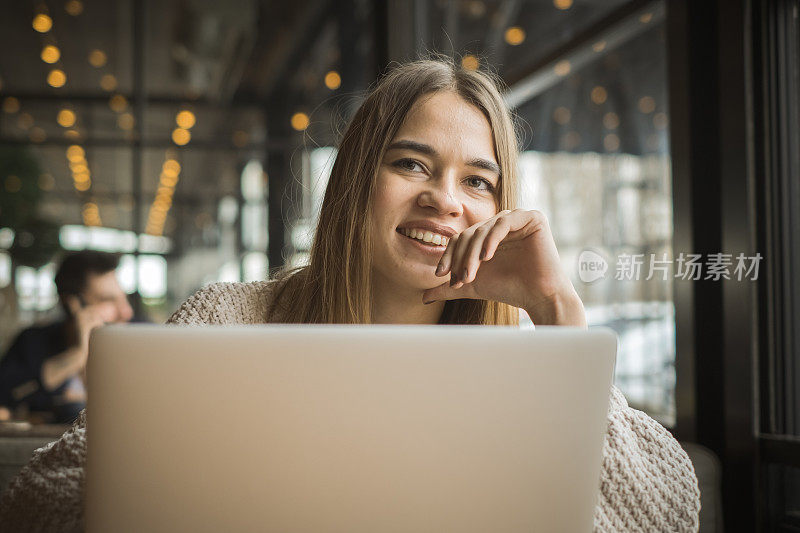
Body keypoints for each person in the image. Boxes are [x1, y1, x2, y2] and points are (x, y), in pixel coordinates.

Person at [0, 58, 700, 532]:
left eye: (478, 182)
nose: (444, 200)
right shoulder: (230, 320)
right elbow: (40, 497)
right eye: (411, 163)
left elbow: (667, 515)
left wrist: (559, 315)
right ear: (356, 181)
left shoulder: (522, 356)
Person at [0, 251, 133, 424]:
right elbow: (8, 398)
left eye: (124, 299)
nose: (126, 312)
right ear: (74, 304)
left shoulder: (138, 342)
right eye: (107, 300)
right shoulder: (33, 342)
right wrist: (78, 354)